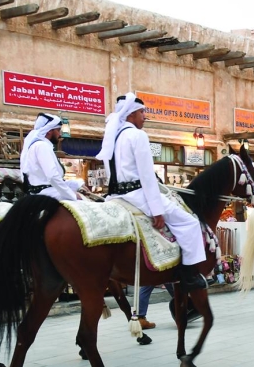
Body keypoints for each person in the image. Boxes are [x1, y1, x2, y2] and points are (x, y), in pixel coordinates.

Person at [97, 93, 207, 291]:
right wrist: (157, 211)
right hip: (138, 196)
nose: (144, 116)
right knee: (190, 223)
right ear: (131, 114)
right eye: (141, 112)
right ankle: (190, 274)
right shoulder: (137, 135)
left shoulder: (113, 136)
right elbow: (147, 177)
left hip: (116, 196)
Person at [20, 112, 83, 201]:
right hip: (47, 194)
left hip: (47, 191)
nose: (59, 134)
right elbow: (52, 176)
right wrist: (72, 196)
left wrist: (78, 185)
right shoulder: (41, 146)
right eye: (58, 130)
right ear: (49, 131)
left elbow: (52, 180)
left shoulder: (40, 145)